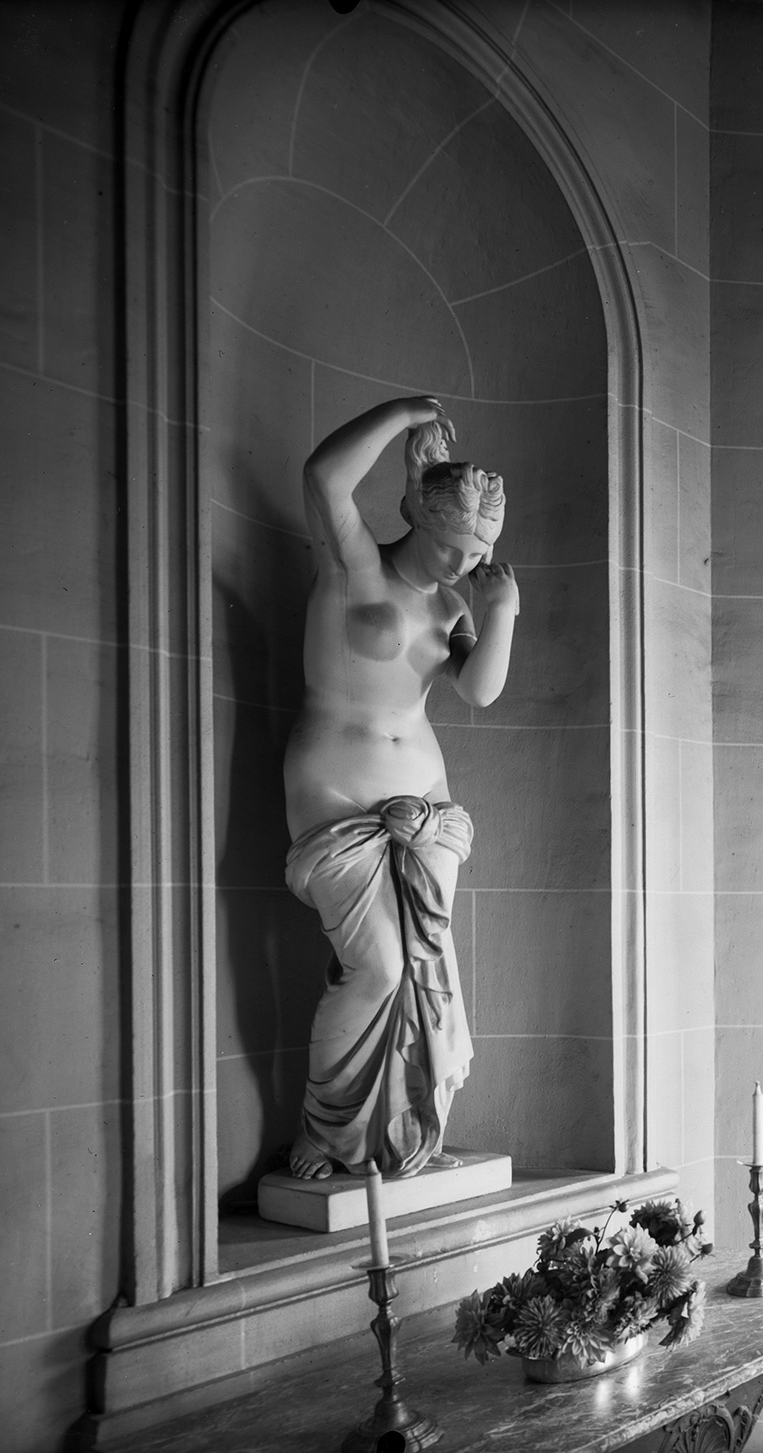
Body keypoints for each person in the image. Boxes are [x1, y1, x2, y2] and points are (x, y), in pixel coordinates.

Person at [280, 396, 518, 1179]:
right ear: (416, 511)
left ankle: (411, 1133)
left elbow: (479, 692)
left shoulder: (457, 601)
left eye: (477, 549)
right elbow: (323, 475)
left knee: (424, 972)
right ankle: (328, 1130)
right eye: (452, 545)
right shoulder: (355, 564)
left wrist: (502, 609)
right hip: (338, 796)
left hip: (428, 808)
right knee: (378, 967)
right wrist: (399, 413)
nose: (460, 564)